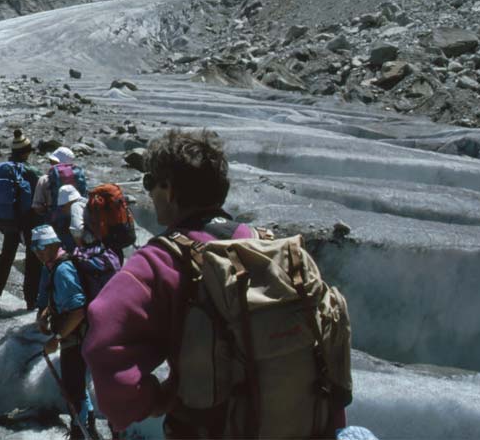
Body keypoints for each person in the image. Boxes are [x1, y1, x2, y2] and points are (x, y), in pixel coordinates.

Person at [82, 129, 348, 438]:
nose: (149, 194)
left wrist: (149, 401)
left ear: (168, 188)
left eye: (149, 182)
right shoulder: (270, 247)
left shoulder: (160, 262)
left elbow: (104, 338)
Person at [31, 224, 99, 439]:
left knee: (73, 389)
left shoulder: (62, 270)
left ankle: (81, 432)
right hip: (76, 337)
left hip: (76, 339)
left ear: (53, 245)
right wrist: (47, 311)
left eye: (42, 247)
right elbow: (66, 300)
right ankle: (87, 429)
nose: (38, 252)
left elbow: (78, 310)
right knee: (75, 386)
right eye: (35, 248)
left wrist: (57, 339)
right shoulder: (57, 265)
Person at [0, 129, 43, 308]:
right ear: (26, 152)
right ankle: (31, 300)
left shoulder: (2, 169)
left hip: (8, 219)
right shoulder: (32, 171)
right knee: (33, 259)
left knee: (6, 255)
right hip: (28, 219)